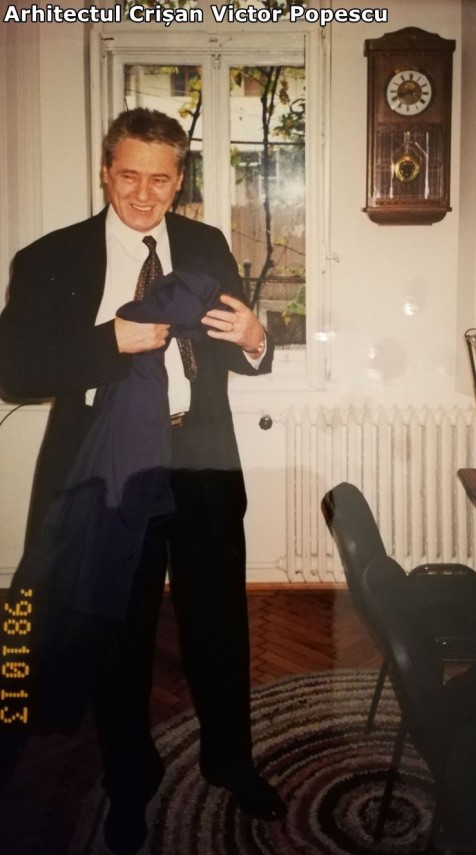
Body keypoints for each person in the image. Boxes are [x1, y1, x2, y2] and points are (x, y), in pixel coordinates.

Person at [0, 108, 284, 855]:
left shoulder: (206, 244)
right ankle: (130, 780)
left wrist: (258, 340)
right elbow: (15, 370)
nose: (142, 194)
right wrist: (109, 341)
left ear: (179, 179)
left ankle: (231, 761)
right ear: (106, 171)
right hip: (109, 466)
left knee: (218, 621)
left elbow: (235, 347)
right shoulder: (50, 257)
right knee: (119, 634)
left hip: (200, 461)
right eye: (128, 175)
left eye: (160, 179)